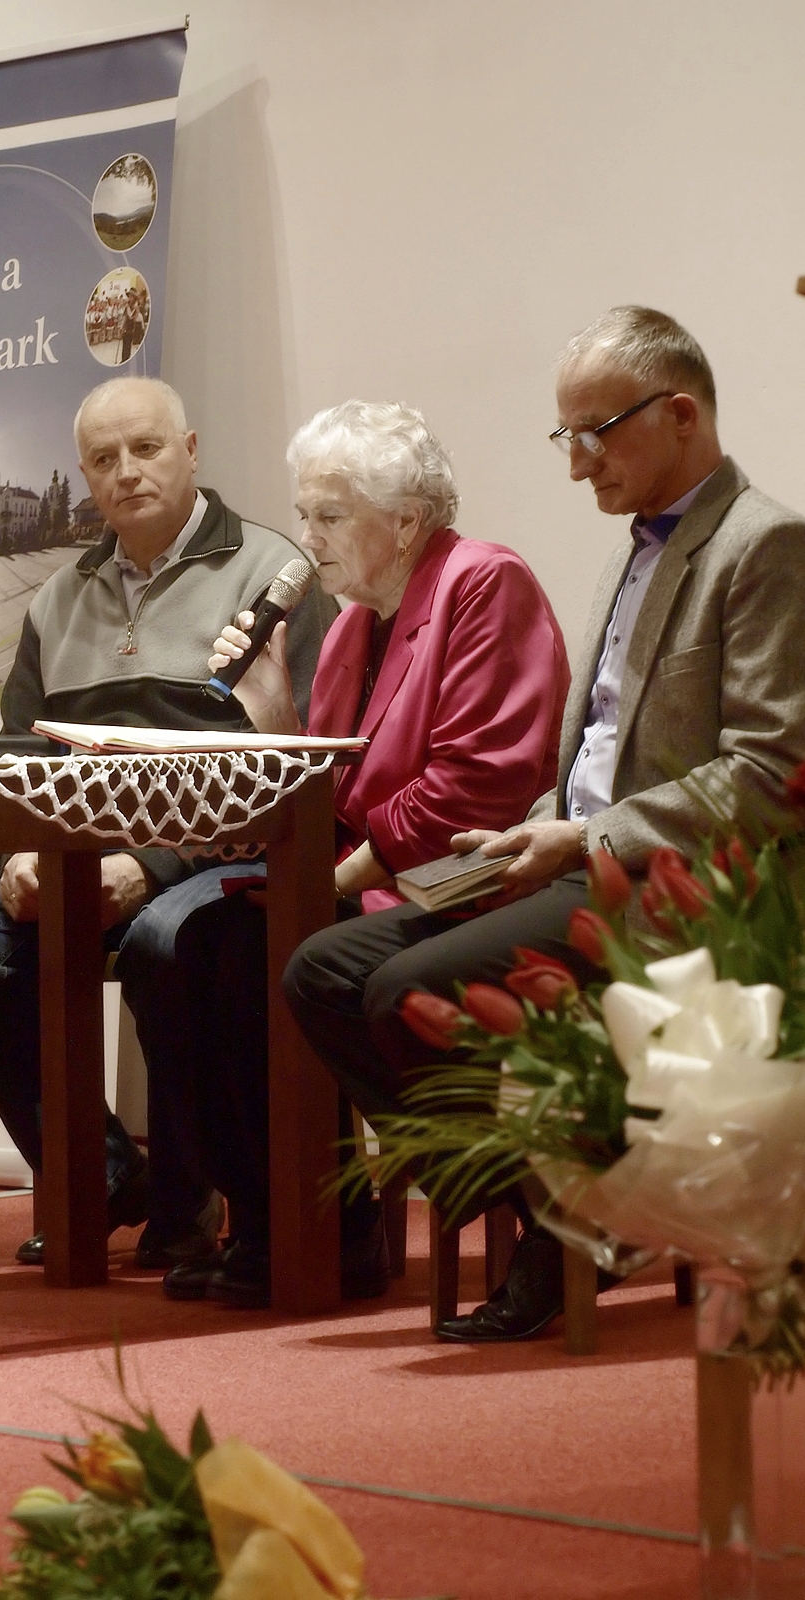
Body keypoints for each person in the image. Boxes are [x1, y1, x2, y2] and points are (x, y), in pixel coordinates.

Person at [284, 307, 805, 1340]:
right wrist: (532, 828)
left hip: (681, 885)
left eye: (594, 433)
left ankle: (567, 1232)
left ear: (680, 414)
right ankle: (557, 1216)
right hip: (572, 860)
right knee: (321, 969)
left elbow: (769, 771)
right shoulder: (631, 550)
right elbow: (598, 753)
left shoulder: (764, 545)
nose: (574, 464)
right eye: (564, 436)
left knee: (403, 988)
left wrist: (587, 837)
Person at [115, 399, 570, 1307]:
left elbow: (475, 786)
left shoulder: (483, 582)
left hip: (466, 876)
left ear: (404, 521)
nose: (307, 537)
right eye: (304, 513)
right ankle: (272, 1215)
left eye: (329, 515)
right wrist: (274, 722)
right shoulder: (354, 623)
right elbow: (331, 794)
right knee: (173, 946)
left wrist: (332, 881)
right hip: (368, 878)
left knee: (249, 949)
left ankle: (333, 1229)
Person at [0, 375, 336, 1267]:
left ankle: (190, 1201)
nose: (126, 472)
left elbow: (310, 766)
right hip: (78, 855)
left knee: (169, 942)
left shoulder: (274, 576)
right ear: (84, 477)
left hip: (220, 857)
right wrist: (22, 852)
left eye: (145, 448)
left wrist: (152, 866)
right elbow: (20, 760)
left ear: (191, 450)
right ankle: (100, 1179)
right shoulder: (57, 600)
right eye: (103, 459)